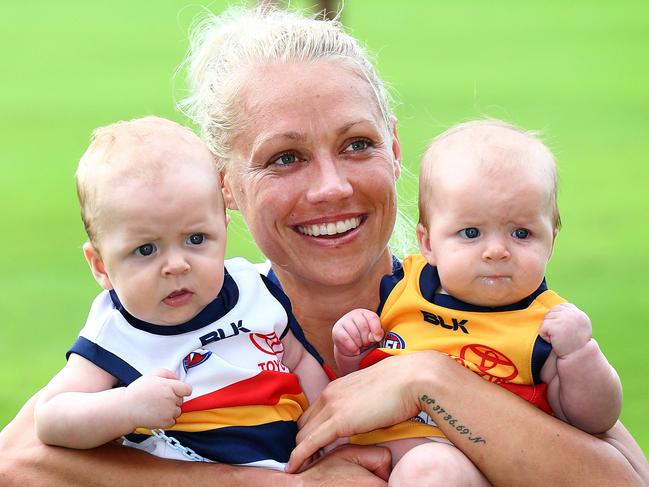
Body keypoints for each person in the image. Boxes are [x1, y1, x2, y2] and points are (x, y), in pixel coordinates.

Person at [0, 6, 647, 487]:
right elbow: (19, 458)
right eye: (284, 158)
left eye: (356, 145)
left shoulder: (468, 291)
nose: (331, 187)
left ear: (395, 148)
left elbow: (623, 478)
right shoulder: (204, 313)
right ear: (223, 185)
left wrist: (426, 379)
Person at [327, 120, 623, 485]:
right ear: (429, 243)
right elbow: (360, 380)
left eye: (521, 233)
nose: (497, 251)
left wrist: (580, 354)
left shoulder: (544, 324)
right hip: (372, 455)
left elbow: (594, 420)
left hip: (467, 468)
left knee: (431, 469)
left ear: (551, 241)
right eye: (471, 233)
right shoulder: (403, 289)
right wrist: (352, 346)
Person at [33, 116, 329, 470]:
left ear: (223, 227)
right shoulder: (117, 331)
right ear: (100, 265)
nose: (176, 265)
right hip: (190, 469)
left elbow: (298, 361)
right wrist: (126, 406)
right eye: (146, 250)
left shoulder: (253, 288)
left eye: (196, 239)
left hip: (288, 465)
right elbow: (50, 417)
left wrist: (328, 435)